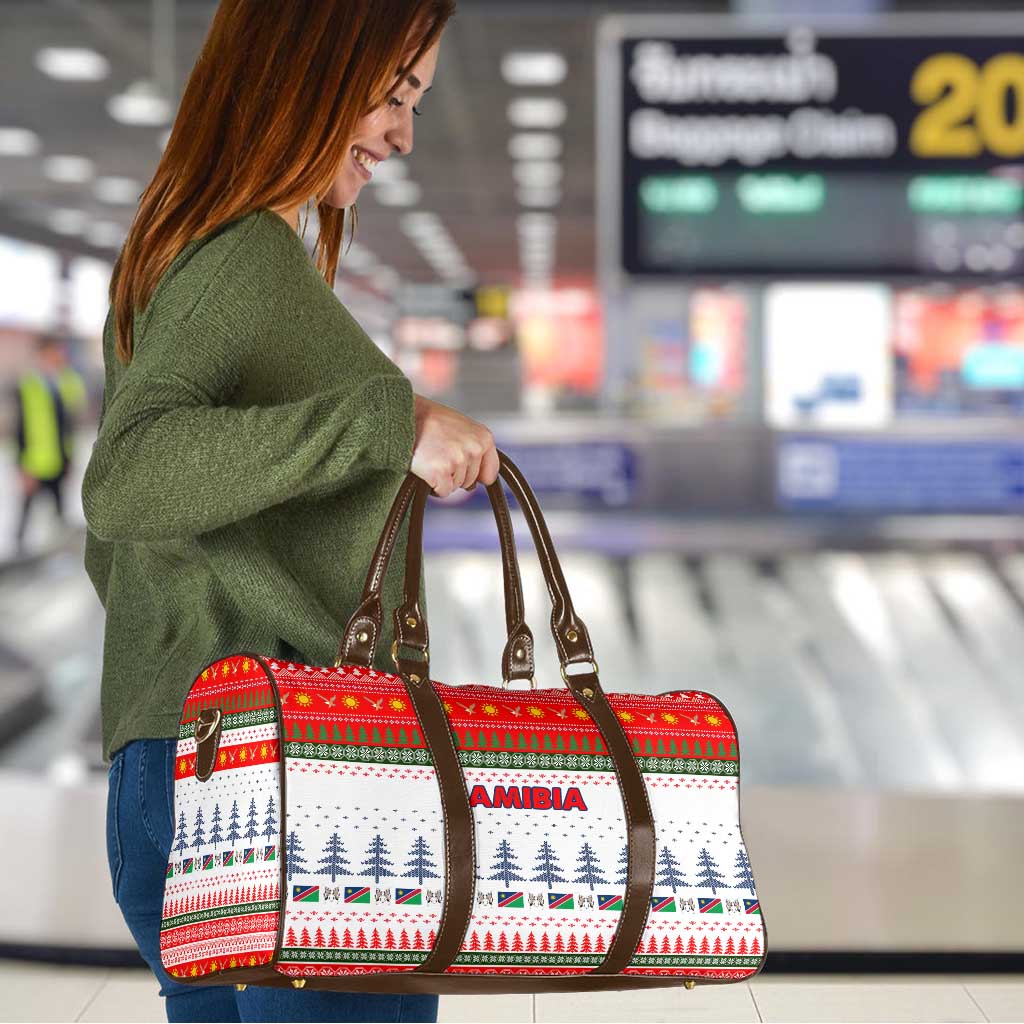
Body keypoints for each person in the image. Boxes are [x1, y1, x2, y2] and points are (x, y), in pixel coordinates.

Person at [81, 3, 496, 1021]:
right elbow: (126, 477)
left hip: (187, 761)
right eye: (395, 94)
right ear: (307, 65)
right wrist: (385, 424)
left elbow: (136, 536)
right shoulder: (240, 260)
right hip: (290, 777)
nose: (402, 133)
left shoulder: (189, 251)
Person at [11, 331, 86, 557]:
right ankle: (18, 554)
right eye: (55, 351)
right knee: (26, 512)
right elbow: (20, 427)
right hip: (35, 462)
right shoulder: (28, 384)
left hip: (60, 458)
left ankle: (59, 554)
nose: (59, 355)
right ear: (43, 353)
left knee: (59, 511)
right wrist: (22, 466)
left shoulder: (65, 381)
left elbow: (72, 416)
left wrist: (70, 458)